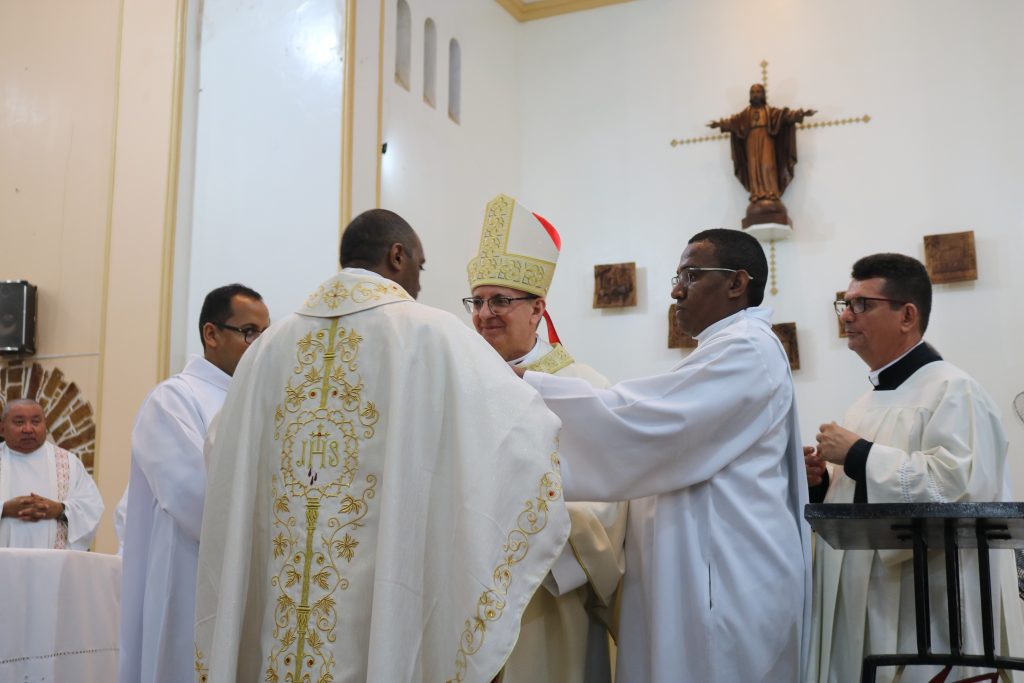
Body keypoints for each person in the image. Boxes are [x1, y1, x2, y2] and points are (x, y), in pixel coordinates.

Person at [194, 209, 570, 683]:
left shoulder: (268, 348)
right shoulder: (432, 334)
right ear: (397, 256)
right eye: (419, 266)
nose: (418, 283)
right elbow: (521, 437)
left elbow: (220, 450)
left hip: (281, 614)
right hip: (381, 608)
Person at [518, 228, 811, 683]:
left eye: (691, 276)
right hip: (707, 577)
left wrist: (523, 391)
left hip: (728, 583)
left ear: (736, 283)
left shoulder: (747, 349)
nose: (676, 291)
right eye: (679, 277)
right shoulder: (725, 350)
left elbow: (642, 424)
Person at [805, 253, 1024, 683]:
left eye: (861, 304)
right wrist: (822, 483)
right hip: (863, 598)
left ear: (907, 315)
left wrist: (858, 454)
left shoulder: (954, 391)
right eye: (844, 304)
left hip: (927, 604)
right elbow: (861, 495)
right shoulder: (863, 404)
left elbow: (960, 489)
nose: (846, 316)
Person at [465, 194, 626, 683]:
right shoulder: (459, 383)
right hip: (467, 593)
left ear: (537, 309)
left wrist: (521, 519)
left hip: (549, 599)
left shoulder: (583, 387)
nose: (485, 314)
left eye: (501, 301)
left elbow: (609, 504)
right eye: (478, 301)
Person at [118, 283, 270, 683]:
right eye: (249, 332)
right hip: (189, 577)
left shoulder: (256, 400)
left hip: (247, 577)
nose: (259, 346)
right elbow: (195, 497)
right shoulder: (173, 400)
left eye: (265, 335)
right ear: (211, 334)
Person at [0, 398, 103, 550]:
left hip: (53, 562)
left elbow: (91, 507)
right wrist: (4, 509)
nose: (28, 429)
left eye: (35, 422)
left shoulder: (69, 463)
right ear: (2, 429)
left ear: (45, 426)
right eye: (19, 422)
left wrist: (60, 509)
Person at [708, 83, 815, 227]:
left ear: (763, 95)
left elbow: (785, 116)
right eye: (753, 92)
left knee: (768, 166)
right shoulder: (745, 115)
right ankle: (757, 194)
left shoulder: (770, 112)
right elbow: (733, 123)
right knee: (754, 169)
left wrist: (799, 114)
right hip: (751, 143)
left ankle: (771, 193)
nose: (755, 94)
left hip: (766, 141)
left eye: (758, 91)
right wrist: (720, 124)